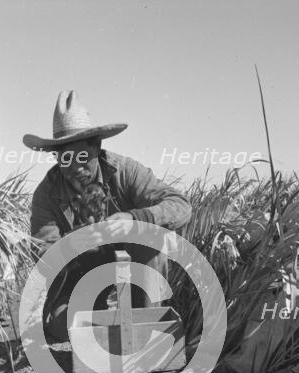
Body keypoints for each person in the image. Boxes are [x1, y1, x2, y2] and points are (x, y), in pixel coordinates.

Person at [23, 90, 191, 341]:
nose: (75, 168)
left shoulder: (126, 172)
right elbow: (43, 255)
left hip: (133, 266)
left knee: (152, 239)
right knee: (64, 327)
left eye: (82, 157)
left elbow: (180, 205)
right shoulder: (46, 194)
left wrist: (136, 218)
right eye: (65, 159)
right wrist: (71, 245)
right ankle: (102, 321)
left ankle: (147, 321)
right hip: (80, 274)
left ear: (97, 148)